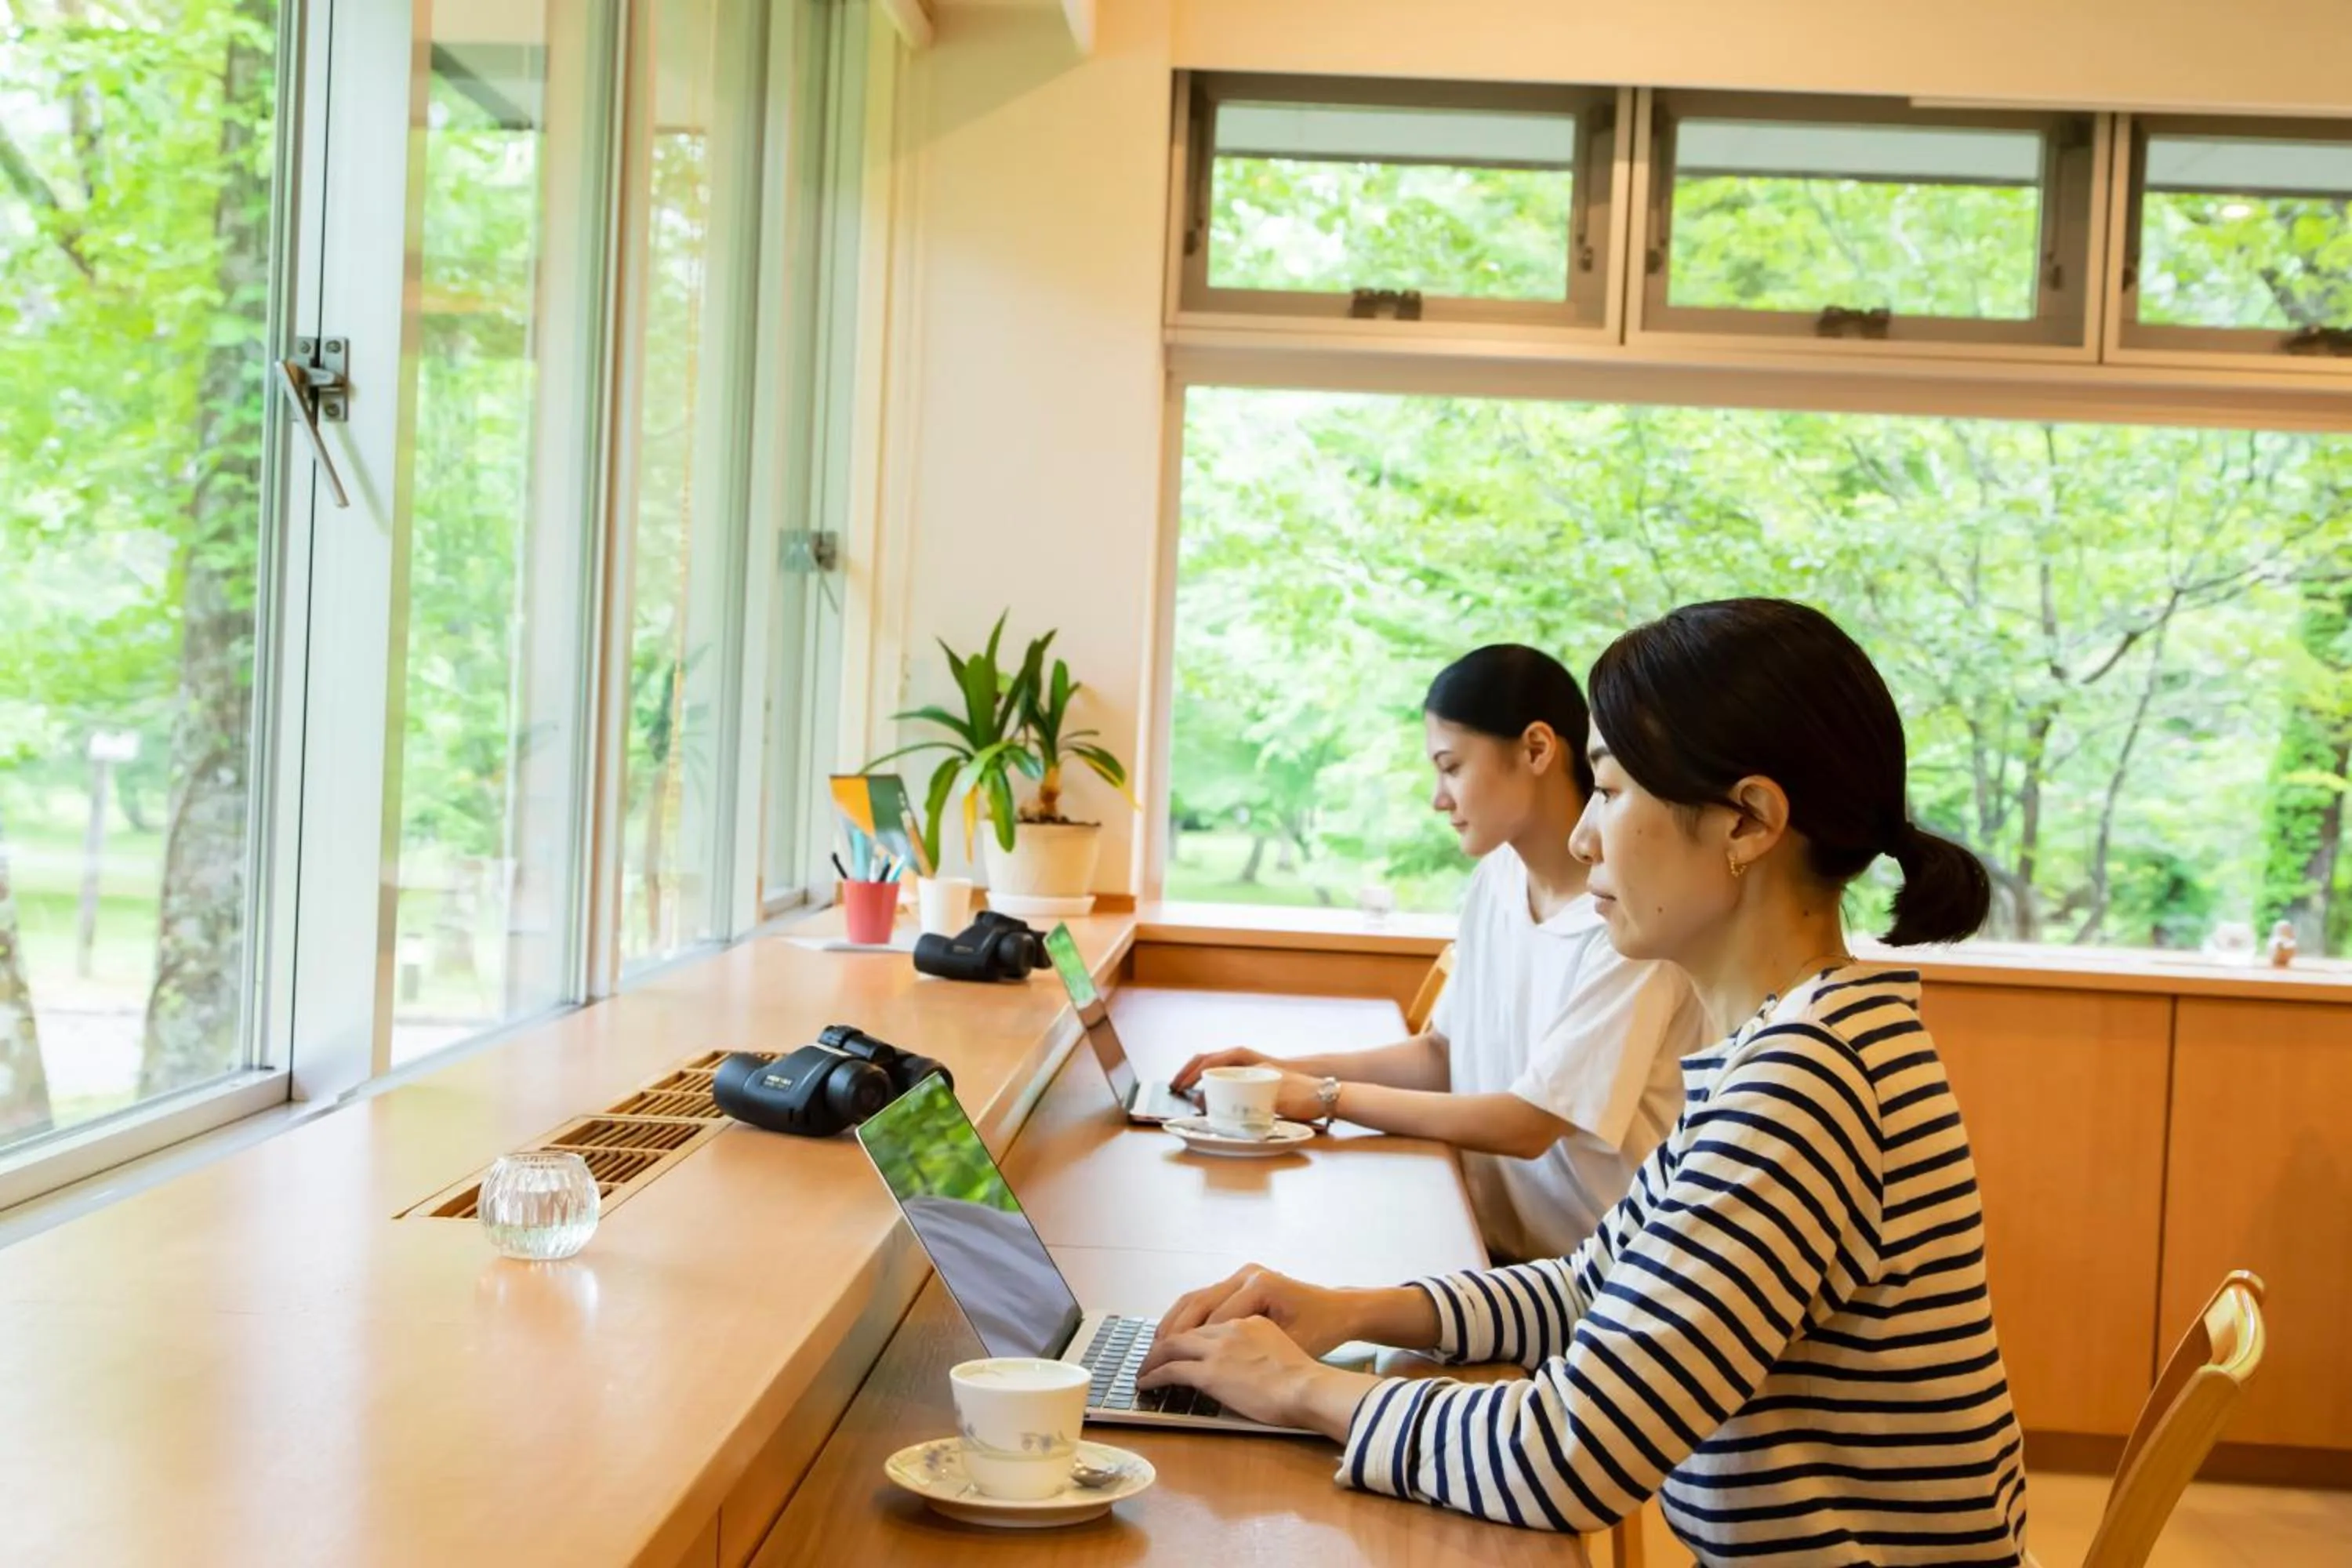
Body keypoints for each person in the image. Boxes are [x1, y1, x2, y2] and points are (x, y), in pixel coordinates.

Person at [1139, 600, 2026, 1566]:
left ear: (1749, 821)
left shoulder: (1806, 1085)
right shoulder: (1794, 1042)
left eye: (1608, 790)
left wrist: (1308, 1390)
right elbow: (1596, 1282)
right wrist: (1350, 1310)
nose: (1583, 838)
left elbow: (1569, 1456)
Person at [1174, 644, 1707, 1261]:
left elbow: (1530, 1123)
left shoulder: (1629, 921)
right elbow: (1442, 1054)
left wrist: (1324, 1095)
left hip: (1591, 1279)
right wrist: (1272, 1073)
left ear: (1537, 749)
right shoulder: (1499, 878)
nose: (1438, 798)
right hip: (1489, 1251)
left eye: (1451, 767)